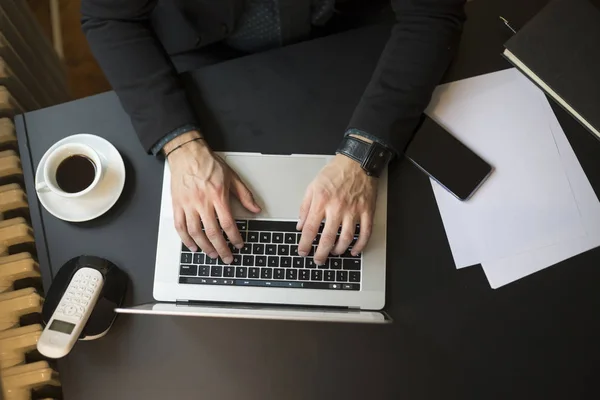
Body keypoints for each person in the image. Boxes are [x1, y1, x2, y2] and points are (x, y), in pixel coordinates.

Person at [81, 0, 466, 266]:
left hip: (341, 33)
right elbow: (107, 17)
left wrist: (363, 153)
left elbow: (432, 15)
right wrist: (181, 144)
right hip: (203, 51)